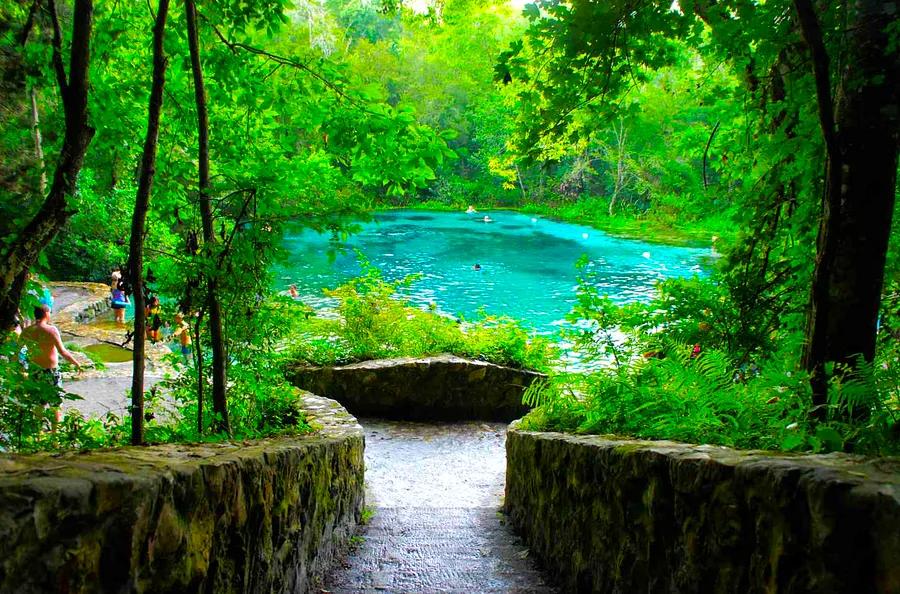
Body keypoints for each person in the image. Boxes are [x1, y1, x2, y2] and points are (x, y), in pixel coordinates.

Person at [19, 305, 81, 427]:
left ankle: (38, 434)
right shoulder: (51, 330)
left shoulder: (27, 331)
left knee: (38, 404)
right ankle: (54, 436)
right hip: (51, 372)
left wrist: (21, 368)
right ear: (47, 313)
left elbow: (19, 351)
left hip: (34, 371)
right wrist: (76, 363)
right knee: (55, 405)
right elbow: (63, 352)